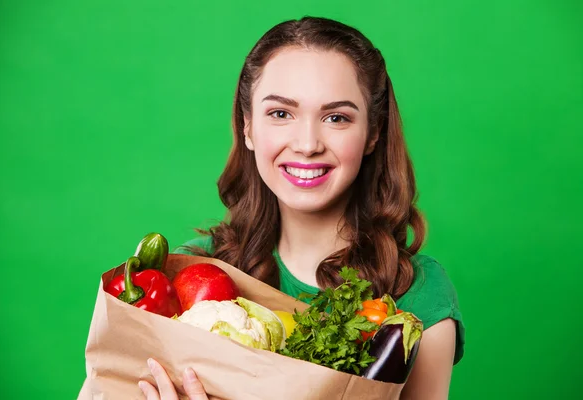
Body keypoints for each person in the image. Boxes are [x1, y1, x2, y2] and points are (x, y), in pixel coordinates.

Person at [138, 16, 465, 400]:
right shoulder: (192, 278)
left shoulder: (417, 295)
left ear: (373, 133)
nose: (307, 143)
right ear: (248, 127)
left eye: (336, 117)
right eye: (281, 114)